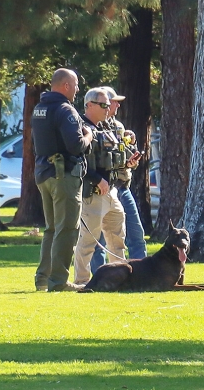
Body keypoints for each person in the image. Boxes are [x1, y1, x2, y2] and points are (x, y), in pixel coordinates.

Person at [32, 68, 93, 292]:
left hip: (44, 174)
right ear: (66, 85)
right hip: (63, 175)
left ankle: (43, 279)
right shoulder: (65, 110)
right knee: (67, 228)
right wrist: (89, 135)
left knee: (51, 229)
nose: (77, 89)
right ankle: (58, 281)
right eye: (75, 85)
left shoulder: (39, 108)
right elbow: (75, 145)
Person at [72, 87, 128, 285]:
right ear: (89, 105)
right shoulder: (81, 128)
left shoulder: (105, 127)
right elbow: (78, 161)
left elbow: (110, 159)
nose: (108, 108)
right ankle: (81, 282)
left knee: (117, 238)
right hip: (92, 193)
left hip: (111, 191)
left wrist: (126, 164)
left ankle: (120, 279)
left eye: (108, 104)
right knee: (88, 241)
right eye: (103, 105)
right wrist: (97, 179)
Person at [89, 86, 147, 274]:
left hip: (122, 185)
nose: (116, 105)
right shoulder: (94, 126)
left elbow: (122, 160)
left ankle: (140, 273)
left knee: (135, 234)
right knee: (98, 240)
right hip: (103, 188)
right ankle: (99, 276)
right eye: (113, 101)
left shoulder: (119, 127)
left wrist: (131, 161)